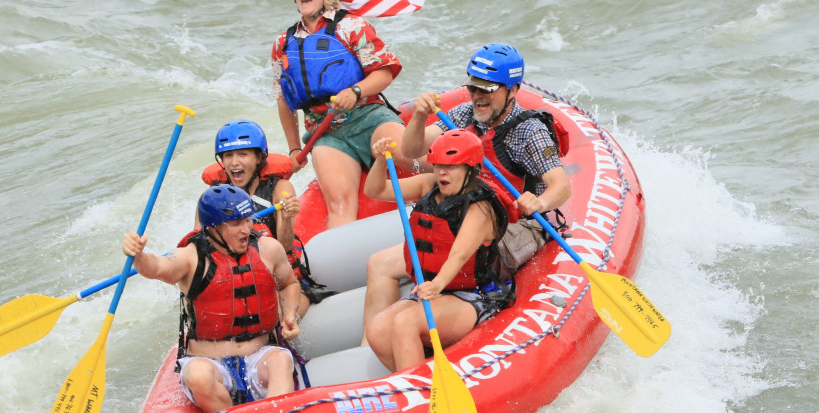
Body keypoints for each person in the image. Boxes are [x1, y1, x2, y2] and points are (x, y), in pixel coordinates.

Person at [362, 43, 570, 340]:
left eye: (487, 90)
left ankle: (455, 308)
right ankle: (370, 349)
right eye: (473, 88)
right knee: (379, 263)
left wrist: (538, 201)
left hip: (511, 224)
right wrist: (419, 117)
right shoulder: (463, 115)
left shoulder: (529, 131)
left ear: (512, 90)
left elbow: (561, 186)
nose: (478, 97)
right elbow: (412, 151)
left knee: (462, 238)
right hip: (463, 214)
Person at [122, 185, 301, 413]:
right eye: (236, 223)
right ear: (213, 229)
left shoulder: (269, 249)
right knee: (198, 376)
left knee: (281, 361)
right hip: (209, 363)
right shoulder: (190, 257)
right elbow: (157, 267)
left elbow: (289, 284)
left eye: (247, 219)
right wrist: (138, 255)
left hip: (260, 356)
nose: (246, 229)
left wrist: (289, 315)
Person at [271, 0, 415, 229]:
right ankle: (344, 266)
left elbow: (385, 71)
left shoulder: (351, 26)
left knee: (413, 157)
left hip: (368, 117)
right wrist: (293, 148)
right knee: (339, 205)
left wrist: (356, 90)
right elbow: (284, 99)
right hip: (325, 133)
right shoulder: (282, 43)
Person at [363, 130, 514, 372]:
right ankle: (417, 379)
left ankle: (417, 395)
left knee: (406, 322)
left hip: (472, 296)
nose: (442, 172)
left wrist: (437, 284)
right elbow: (376, 191)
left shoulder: (481, 209)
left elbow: (460, 254)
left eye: (451, 167)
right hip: (432, 291)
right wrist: (381, 160)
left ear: (470, 168)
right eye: (438, 166)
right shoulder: (429, 185)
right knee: (377, 330)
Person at [197, 120, 330, 315]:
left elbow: (284, 248)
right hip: (235, 279)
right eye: (228, 155)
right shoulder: (212, 199)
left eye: (243, 154)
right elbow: (200, 246)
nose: (234, 162)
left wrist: (285, 218)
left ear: (259, 157)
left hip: (279, 277)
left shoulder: (280, 189)